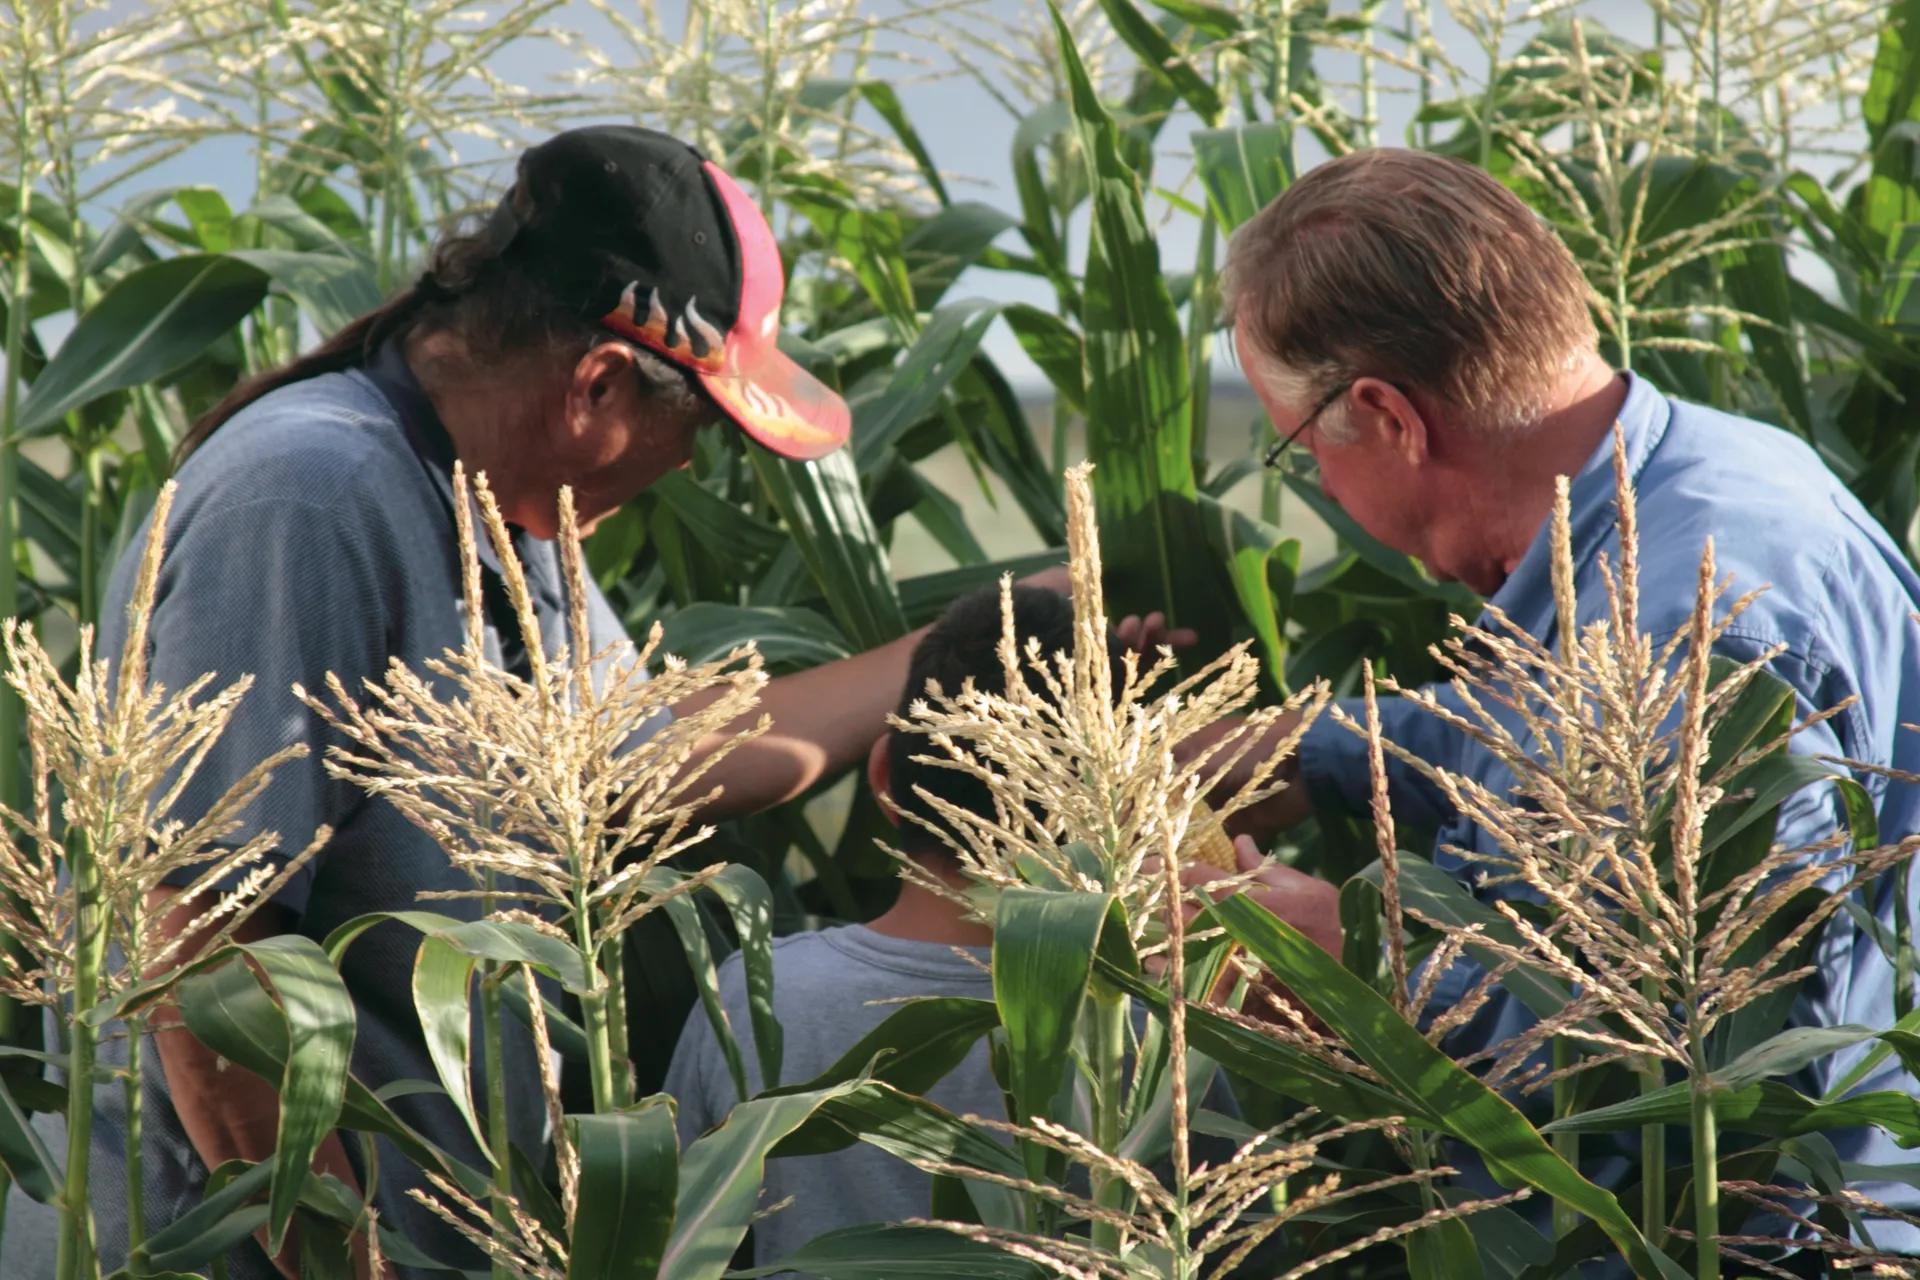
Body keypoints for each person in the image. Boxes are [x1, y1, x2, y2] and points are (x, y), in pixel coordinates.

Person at [0, 126, 1182, 1280]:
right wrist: (341, 1255)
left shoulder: (501, 512)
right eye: (702, 429)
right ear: (599, 382)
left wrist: (978, 640)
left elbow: (638, 762)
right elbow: (200, 949)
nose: (694, 466)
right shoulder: (307, 496)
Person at [1189, 147, 1920, 1244]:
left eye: (1303, 450)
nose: (1322, 489)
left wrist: (1328, 956)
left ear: (1390, 416)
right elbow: (1550, 733)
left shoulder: (1686, 631)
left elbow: (1631, 1042)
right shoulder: (1696, 479)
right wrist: (1312, 745)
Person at [664, 584, 1236, 1275]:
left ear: (884, 776)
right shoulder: (1149, 1030)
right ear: (1116, 810)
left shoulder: (751, 998)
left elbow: (675, 1237)